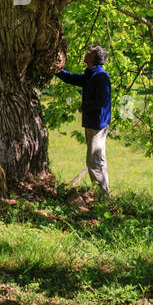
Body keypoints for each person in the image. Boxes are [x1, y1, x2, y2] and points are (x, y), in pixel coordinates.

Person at [56, 45, 112, 196]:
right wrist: (58, 72)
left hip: (97, 125)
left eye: (89, 51)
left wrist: (84, 106)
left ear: (93, 58)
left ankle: (102, 195)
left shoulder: (101, 76)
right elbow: (74, 79)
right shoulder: (91, 73)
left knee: (94, 160)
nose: (86, 52)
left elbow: (101, 100)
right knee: (97, 159)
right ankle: (103, 192)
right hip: (92, 123)